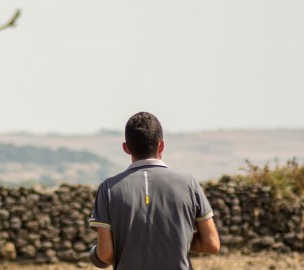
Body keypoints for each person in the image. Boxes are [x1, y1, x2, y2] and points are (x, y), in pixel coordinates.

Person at [89, 112, 220, 269]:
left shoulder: (109, 188)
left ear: (126, 148)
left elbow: (106, 254)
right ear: (161, 145)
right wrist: (175, 237)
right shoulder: (189, 183)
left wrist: (95, 254)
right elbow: (211, 244)